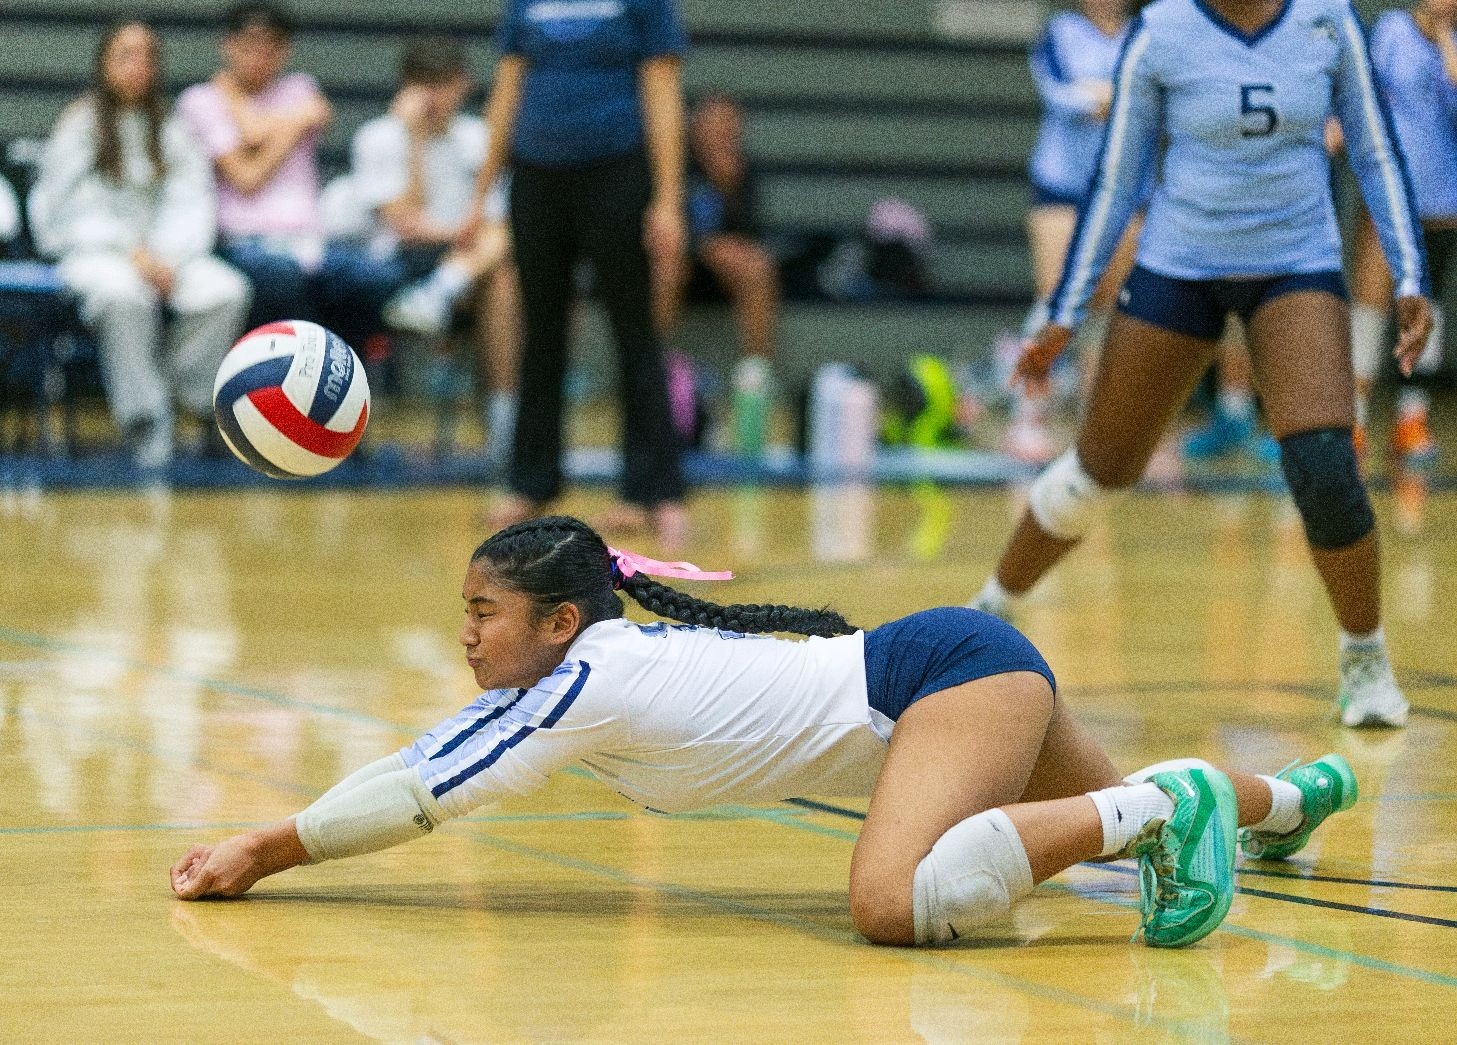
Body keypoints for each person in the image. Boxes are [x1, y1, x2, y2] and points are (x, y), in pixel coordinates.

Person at [170, 515, 1357, 952]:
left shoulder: (587, 681)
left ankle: (1172, 801)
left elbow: (425, 791)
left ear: (560, 619)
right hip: (949, 669)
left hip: (941, 673)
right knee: (1082, 835)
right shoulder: (583, 668)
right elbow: (429, 754)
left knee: (890, 904)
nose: (468, 637)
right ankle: (1296, 800)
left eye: (484, 614)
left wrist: (264, 850)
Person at [970, 0, 1434, 729]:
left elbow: (1376, 152)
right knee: (1100, 467)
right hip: (1178, 265)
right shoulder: (1161, 32)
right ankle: (991, 607)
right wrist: (1062, 311)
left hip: (1294, 265)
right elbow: (1116, 182)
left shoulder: (1325, 20)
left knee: (1322, 464)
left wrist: (1408, 275)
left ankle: (1364, 658)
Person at [463, 0, 690, 546]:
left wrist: (668, 198)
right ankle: (532, 482)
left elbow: (661, 91)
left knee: (634, 331)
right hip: (537, 180)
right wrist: (481, 192)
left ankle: (652, 490)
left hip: (618, 172)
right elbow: (507, 90)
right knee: (540, 332)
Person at [32, 21, 250, 469]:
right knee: (123, 297)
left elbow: (192, 200)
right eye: (125, 55)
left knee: (228, 291)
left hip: (167, 254)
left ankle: (176, 392)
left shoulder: (171, 127)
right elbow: (63, 207)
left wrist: (166, 256)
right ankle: (146, 420)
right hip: (97, 252)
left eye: (147, 57)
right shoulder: (80, 122)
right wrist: (132, 252)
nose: (138, 66)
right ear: (104, 64)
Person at [175, 1, 394, 351]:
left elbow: (274, 128)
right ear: (227, 45)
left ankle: (344, 378)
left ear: (285, 50)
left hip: (310, 243)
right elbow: (247, 178)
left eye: (270, 46)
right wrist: (291, 126)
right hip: (242, 242)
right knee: (281, 280)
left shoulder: (301, 87)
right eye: (249, 45)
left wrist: (243, 117)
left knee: (377, 280)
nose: (259, 56)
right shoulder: (199, 100)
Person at [351, 36, 520, 465]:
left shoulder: (480, 138)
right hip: (397, 268)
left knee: (505, 277)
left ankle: (504, 429)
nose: (436, 95)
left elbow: (499, 220)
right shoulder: (378, 137)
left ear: (464, 84)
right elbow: (404, 221)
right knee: (496, 260)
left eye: (445, 83)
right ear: (407, 87)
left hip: (468, 262)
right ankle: (441, 289)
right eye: (425, 83)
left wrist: (464, 243)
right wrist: (414, 141)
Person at [1007, 0, 1145, 464]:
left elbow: (1155, 101)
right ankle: (1029, 411)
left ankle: (1097, 423)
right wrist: (1109, 98)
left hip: (1125, 186)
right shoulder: (1060, 32)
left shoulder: (1145, 31)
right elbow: (1059, 94)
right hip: (1062, 185)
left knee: (1109, 305)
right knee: (1055, 293)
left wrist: (1110, 97)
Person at [1345, 0, 1457, 465]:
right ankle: (1352, 420)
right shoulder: (1390, 31)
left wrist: (1446, 43)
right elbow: (1362, 97)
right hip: (1390, 194)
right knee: (1370, 302)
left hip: (1443, 201)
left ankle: (1411, 422)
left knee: (1424, 309)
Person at [658, 92, 778, 455]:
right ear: (696, 127)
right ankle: (654, 369)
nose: (722, 132)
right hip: (681, 261)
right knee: (667, 262)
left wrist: (728, 190)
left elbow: (752, 235)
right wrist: (703, 244)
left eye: (730, 125)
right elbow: (663, 223)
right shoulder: (673, 164)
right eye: (714, 123)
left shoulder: (743, 170)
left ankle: (753, 379)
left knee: (757, 268)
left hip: (724, 271)